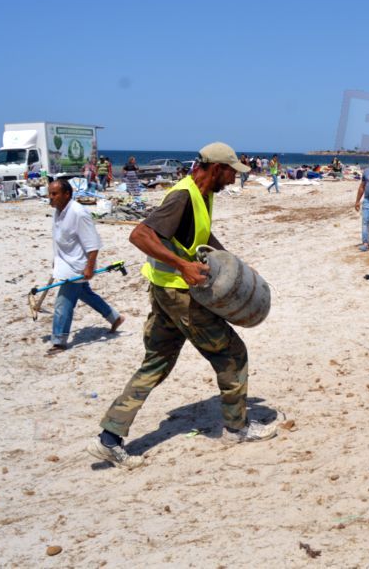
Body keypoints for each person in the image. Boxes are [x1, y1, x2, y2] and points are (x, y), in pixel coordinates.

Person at [88, 142, 275, 470]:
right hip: (180, 296)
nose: (234, 178)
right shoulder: (183, 196)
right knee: (231, 354)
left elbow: (201, 237)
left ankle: (109, 438)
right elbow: (140, 235)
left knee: (157, 362)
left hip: (165, 292)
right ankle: (236, 428)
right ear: (216, 169)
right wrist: (182, 266)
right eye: (231, 172)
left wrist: (232, 263)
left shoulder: (204, 194)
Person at [46, 179, 124, 354]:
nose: (50, 197)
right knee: (85, 294)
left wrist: (89, 267)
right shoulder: (58, 211)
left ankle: (59, 340)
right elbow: (61, 239)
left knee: (63, 303)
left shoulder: (78, 213)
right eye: (49, 193)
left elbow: (93, 244)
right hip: (64, 263)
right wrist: (56, 260)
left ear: (67, 194)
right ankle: (115, 318)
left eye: (54, 194)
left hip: (76, 267)